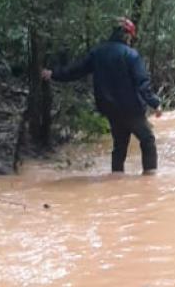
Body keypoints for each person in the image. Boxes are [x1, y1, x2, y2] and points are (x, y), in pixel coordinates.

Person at [42, 18, 162, 175]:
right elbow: (142, 83)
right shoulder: (131, 55)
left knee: (119, 145)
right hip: (131, 109)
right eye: (131, 38)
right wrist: (155, 103)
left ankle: (116, 178)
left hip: (110, 109)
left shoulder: (98, 53)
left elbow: (76, 70)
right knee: (147, 140)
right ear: (127, 36)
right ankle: (150, 179)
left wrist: (53, 74)